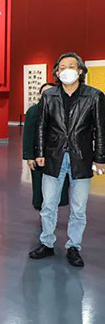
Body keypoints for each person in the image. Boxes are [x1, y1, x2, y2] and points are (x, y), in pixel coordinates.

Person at [30, 52, 105, 267]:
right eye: (61, 67)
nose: (66, 70)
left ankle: (74, 247)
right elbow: (41, 127)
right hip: (54, 156)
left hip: (81, 157)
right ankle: (47, 243)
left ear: (80, 70)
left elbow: (101, 129)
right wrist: (39, 153)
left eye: (70, 66)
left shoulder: (94, 96)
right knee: (48, 204)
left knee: (78, 208)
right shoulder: (49, 96)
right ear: (56, 72)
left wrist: (100, 157)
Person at [22, 83, 69, 211]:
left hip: (58, 154)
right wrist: (29, 156)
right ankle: (42, 207)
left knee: (59, 182)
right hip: (39, 155)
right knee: (40, 183)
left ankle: (54, 206)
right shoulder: (34, 111)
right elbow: (28, 135)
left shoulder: (63, 110)